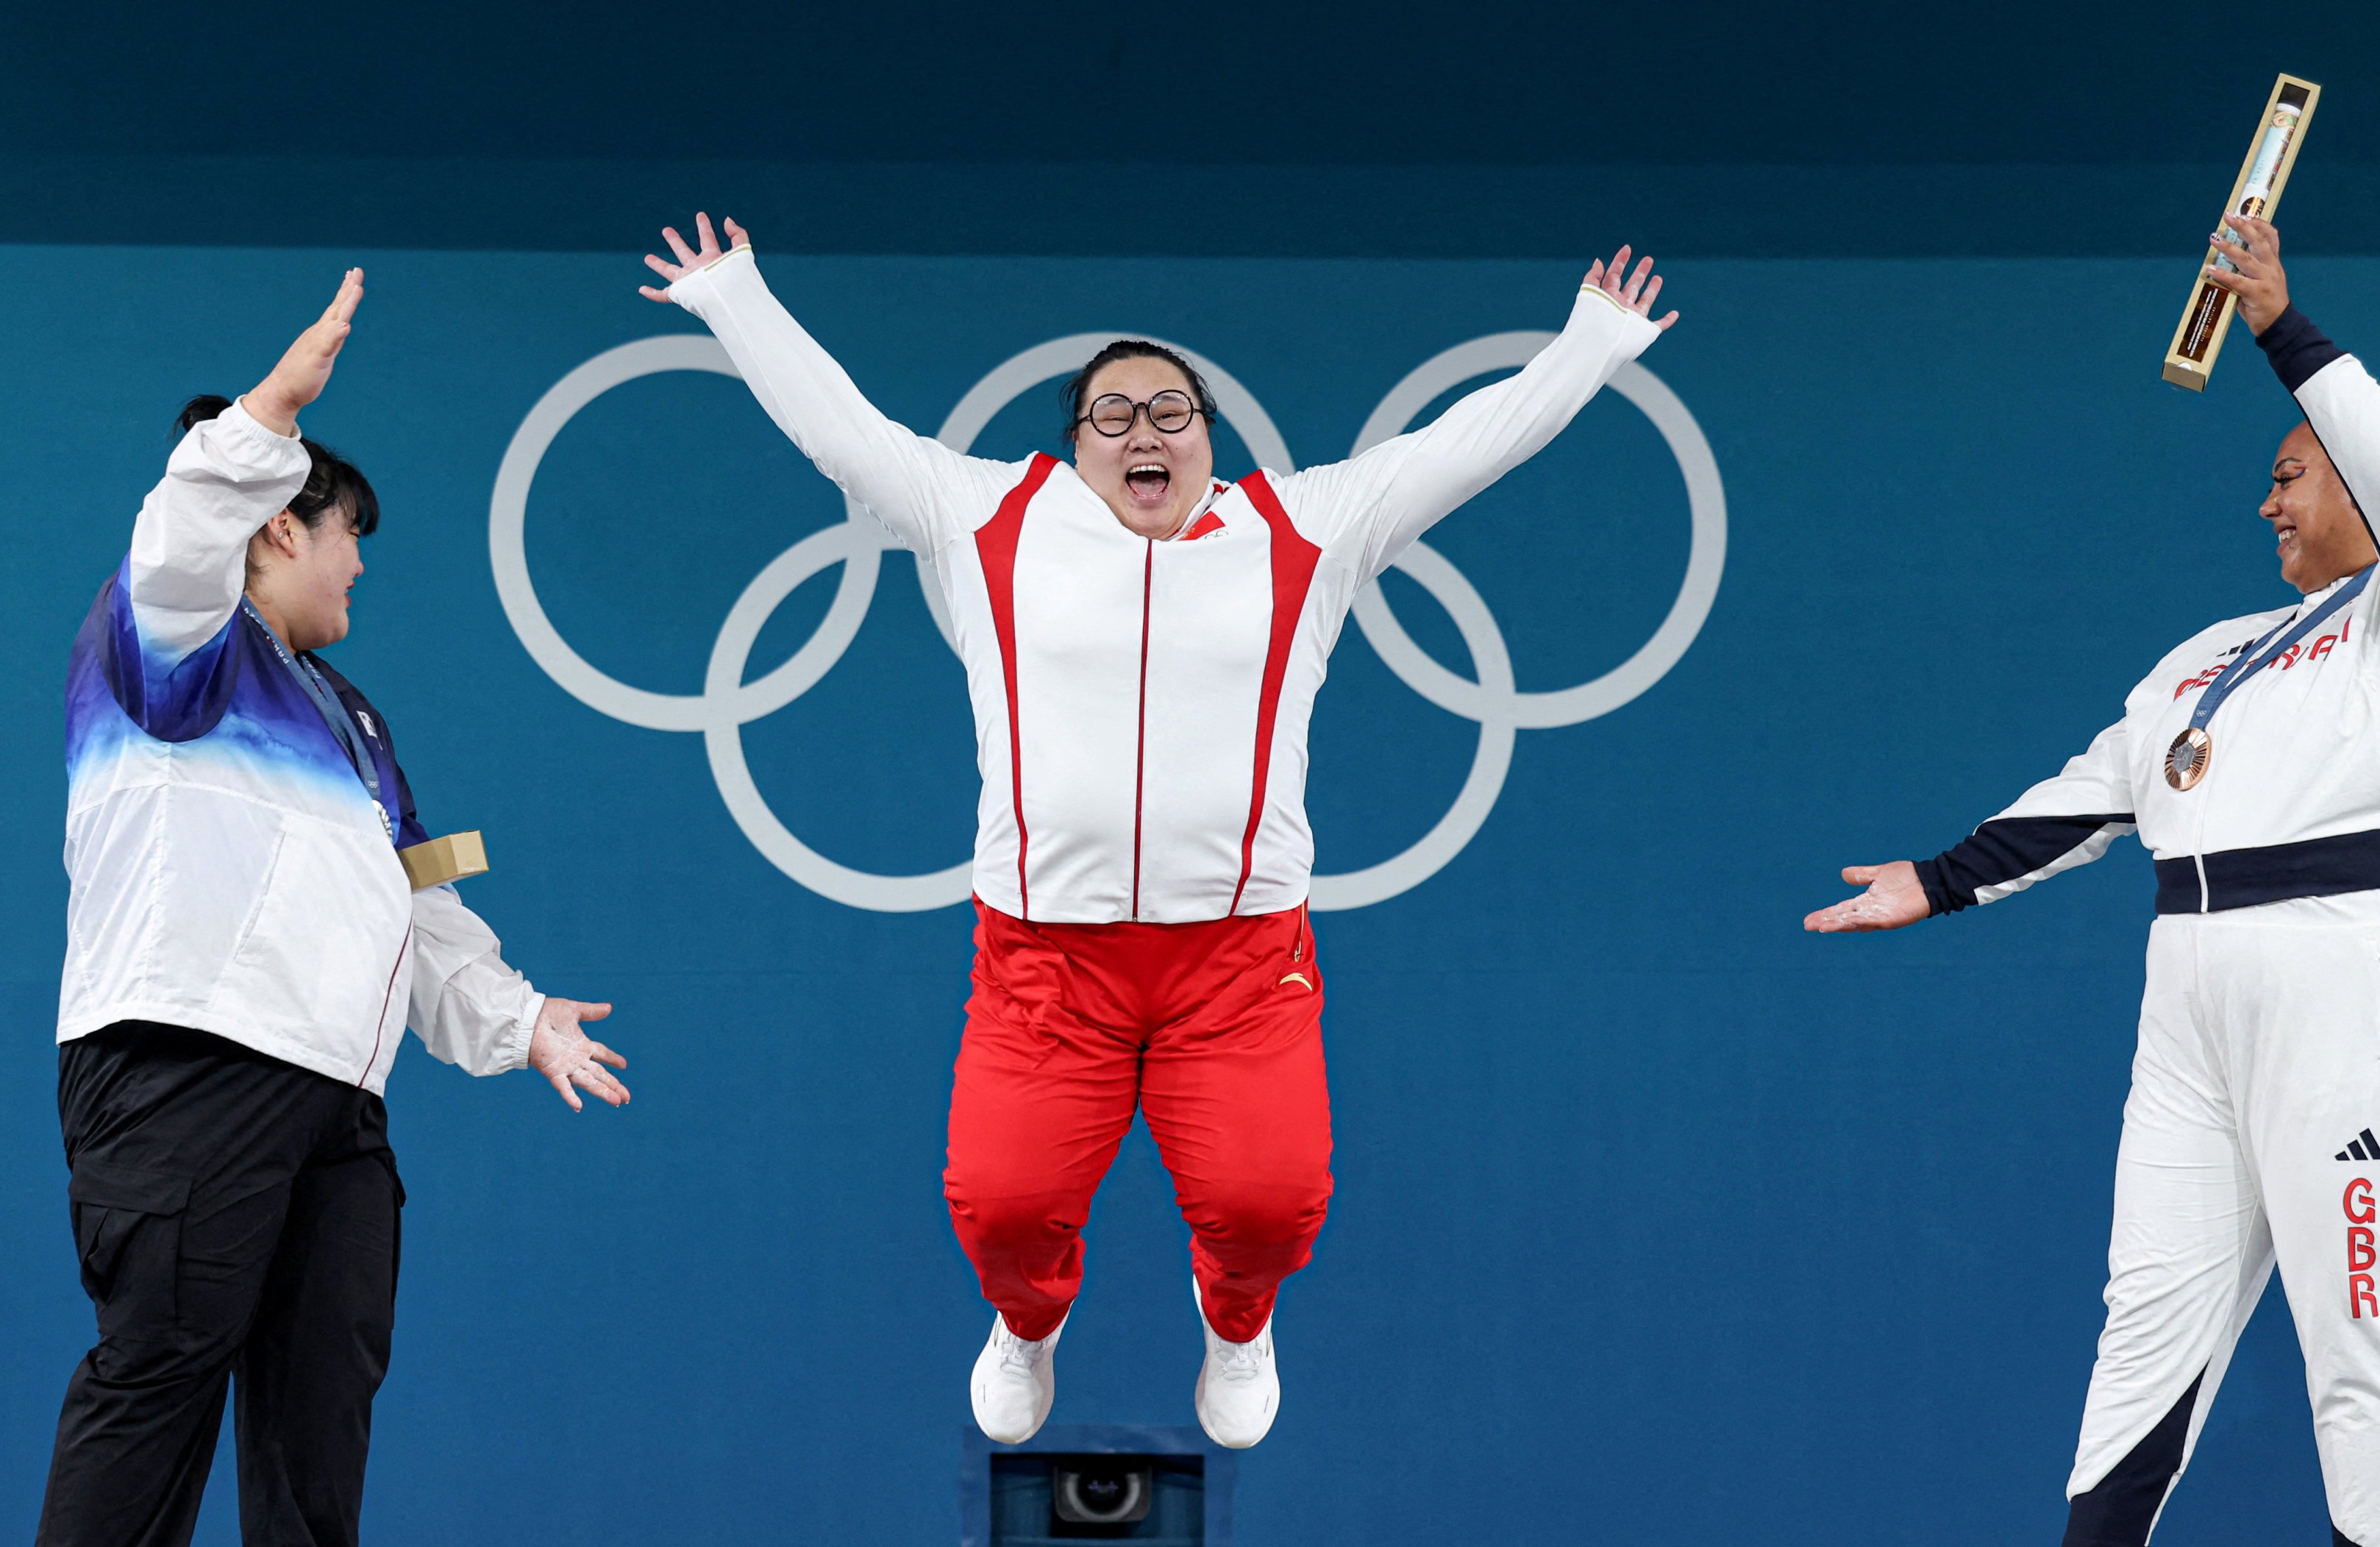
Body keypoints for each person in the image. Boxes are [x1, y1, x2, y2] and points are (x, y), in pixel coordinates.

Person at [641, 213, 1674, 1450]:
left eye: (1172, 411)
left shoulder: (1304, 530)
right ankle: (1029, 1326)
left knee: (1271, 1204)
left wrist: (1593, 346)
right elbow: (841, 428)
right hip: (1046, 961)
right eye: (1114, 414)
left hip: (1239, 962)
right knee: (1002, 1206)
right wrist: (734, 295)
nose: (1146, 431)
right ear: (1073, 444)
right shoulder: (985, 521)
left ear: (1211, 442)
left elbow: (1470, 443)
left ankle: (1237, 1325)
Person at [1806, 216, 2380, 1547]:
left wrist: (2282, 329)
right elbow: (2099, 787)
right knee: (2151, 1308)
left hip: (2365, 966)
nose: (2264, 494)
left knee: (2354, 1307)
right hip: (2190, 984)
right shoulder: (2213, 651)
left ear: (2366, 466)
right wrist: (1935, 882)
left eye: (2291, 469)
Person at [14, 271, 633, 1547]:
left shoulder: (354, 719)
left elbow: (421, 904)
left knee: (321, 1375)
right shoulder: (168, 644)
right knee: (165, 1350)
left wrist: (516, 1015)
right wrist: (263, 424)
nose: (360, 573)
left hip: (332, 1096)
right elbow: (178, 547)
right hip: (182, 1060)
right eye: (349, 539)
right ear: (277, 525)